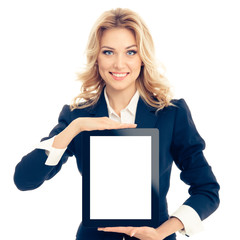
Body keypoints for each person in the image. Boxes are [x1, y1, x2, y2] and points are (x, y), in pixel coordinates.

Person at [13, 8, 220, 240]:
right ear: (96, 57)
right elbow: (24, 180)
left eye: (130, 52)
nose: (119, 64)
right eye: (108, 52)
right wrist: (74, 128)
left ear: (143, 57)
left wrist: (161, 232)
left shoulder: (171, 114)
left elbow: (207, 190)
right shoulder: (77, 117)